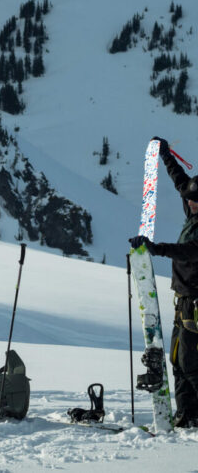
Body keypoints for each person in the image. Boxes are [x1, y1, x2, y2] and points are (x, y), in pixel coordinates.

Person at [129, 136, 198, 428]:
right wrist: (165, 154)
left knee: (191, 365)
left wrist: (155, 248)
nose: (191, 202)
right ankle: (186, 415)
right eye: (191, 199)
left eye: (196, 200)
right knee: (176, 362)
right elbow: (181, 183)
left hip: (195, 305)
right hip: (183, 302)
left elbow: (189, 252)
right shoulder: (193, 208)